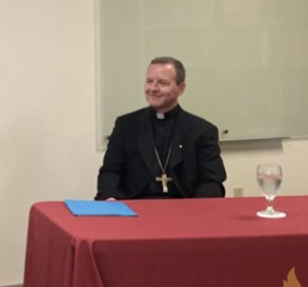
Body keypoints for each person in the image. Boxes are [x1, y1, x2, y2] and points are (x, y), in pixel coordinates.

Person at [95, 57, 226, 200]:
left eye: (162, 83)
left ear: (180, 88)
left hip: (184, 209)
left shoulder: (202, 131)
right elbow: (111, 171)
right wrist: (109, 197)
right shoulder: (126, 125)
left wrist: (196, 210)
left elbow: (211, 181)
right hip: (135, 207)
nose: (153, 88)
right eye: (149, 81)